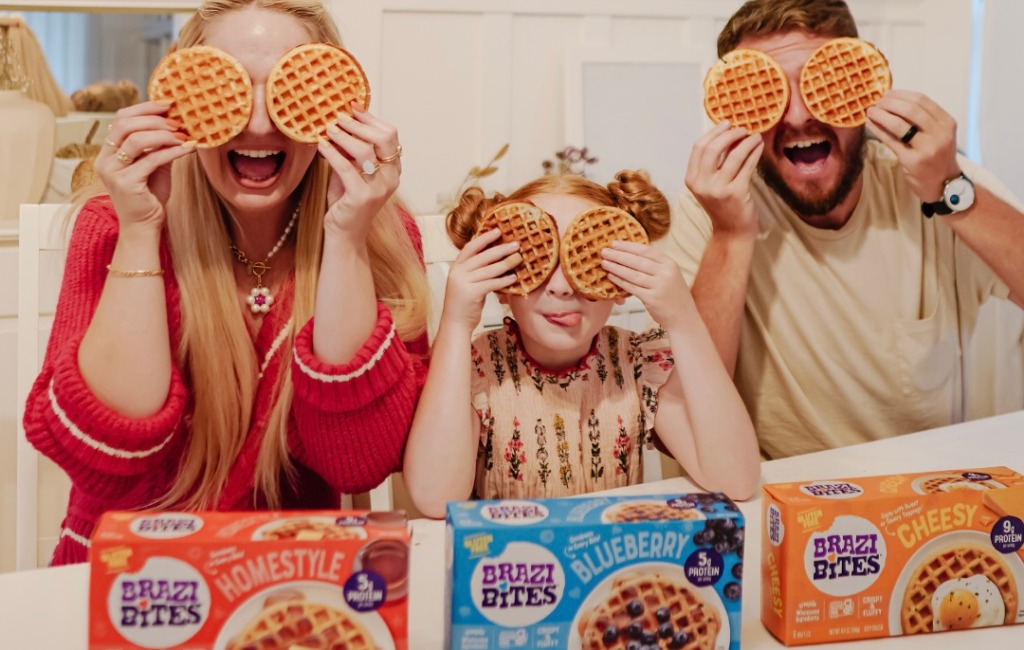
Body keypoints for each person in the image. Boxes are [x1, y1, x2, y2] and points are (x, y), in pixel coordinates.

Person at [24, 0, 430, 565]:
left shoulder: (377, 233)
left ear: (335, 105)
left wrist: (344, 238)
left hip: (293, 576)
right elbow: (105, 458)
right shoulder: (114, 224)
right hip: (129, 579)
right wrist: (141, 231)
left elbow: (357, 462)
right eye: (232, 85)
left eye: (287, 88)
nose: (259, 123)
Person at [661, 0, 1024, 459]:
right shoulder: (716, 206)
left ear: (863, 87)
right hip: (778, 497)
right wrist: (731, 236)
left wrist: (950, 189)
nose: (796, 117)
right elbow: (682, 426)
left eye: (818, 83)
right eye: (769, 92)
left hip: (917, 487)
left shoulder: (933, 180)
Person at [403, 171, 760, 518]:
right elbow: (436, 499)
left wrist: (684, 320)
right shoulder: (475, 368)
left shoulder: (639, 364)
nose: (563, 286)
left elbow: (737, 481)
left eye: (586, 260)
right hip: (515, 568)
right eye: (538, 262)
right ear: (501, 285)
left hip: (612, 567)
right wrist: (455, 323)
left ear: (620, 285)